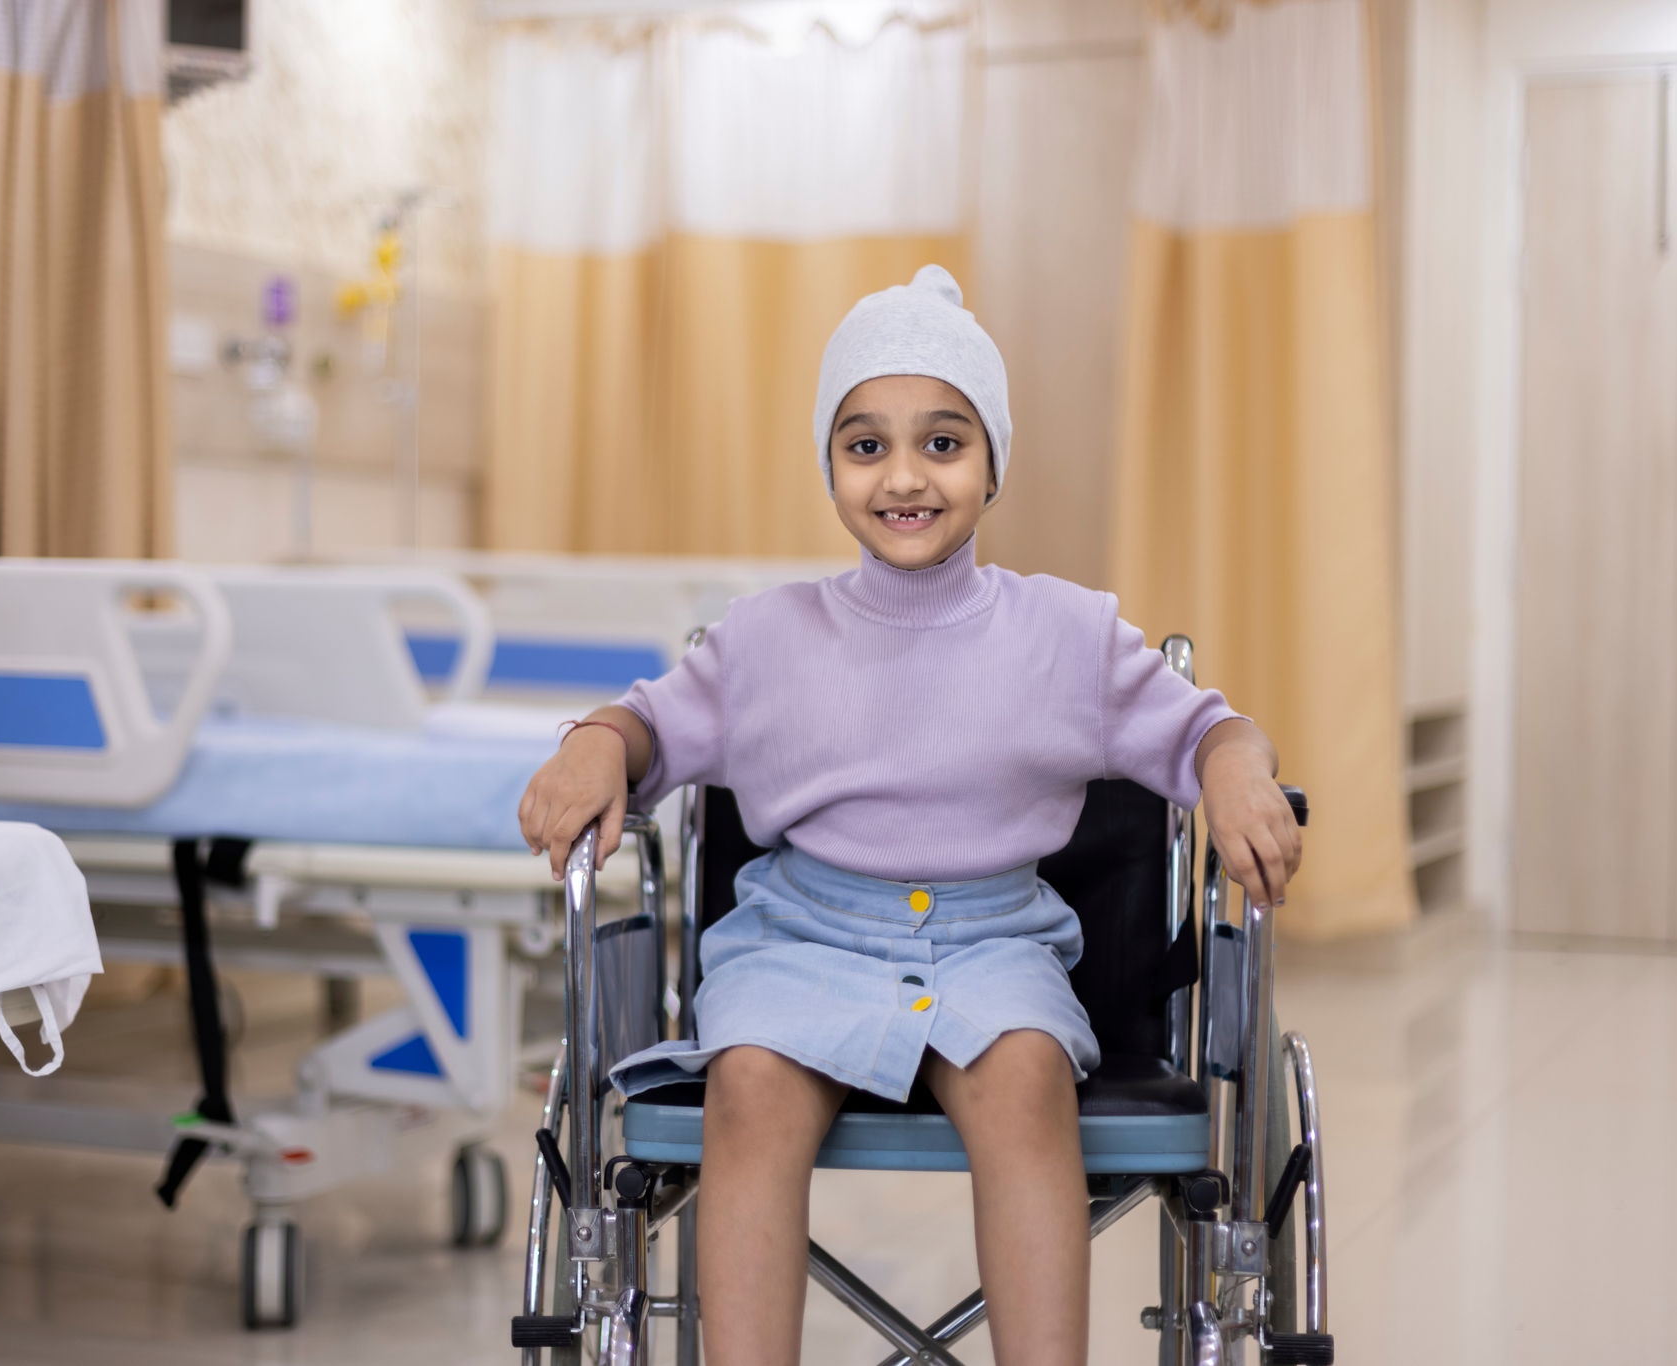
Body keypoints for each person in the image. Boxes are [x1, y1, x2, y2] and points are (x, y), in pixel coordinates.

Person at [517, 265, 1301, 1366]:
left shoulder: (1064, 637)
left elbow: (1212, 730)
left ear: (993, 466)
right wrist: (596, 744)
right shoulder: (767, 639)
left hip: (993, 940)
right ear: (830, 466)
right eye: (864, 443)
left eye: (942, 442)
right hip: (801, 936)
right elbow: (648, 724)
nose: (903, 477)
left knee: (1026, 1082)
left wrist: (1232, 773)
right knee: (746, 1086)